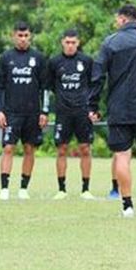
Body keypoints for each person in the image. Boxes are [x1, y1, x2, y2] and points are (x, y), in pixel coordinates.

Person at [89, 4, 136, 218]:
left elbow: (97, 76)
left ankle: (127, 205)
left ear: (122, 19)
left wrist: (93, 105)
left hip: (119, 108)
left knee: (122, 155)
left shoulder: (110, 42)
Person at [0, 21, 48, 201]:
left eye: (26, 36)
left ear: (30, 36)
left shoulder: (38, 58)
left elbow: (45, 88)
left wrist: (44, 111)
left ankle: (23, 188)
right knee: (8, 148)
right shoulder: (5, 58)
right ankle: (4, 188)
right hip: (11, 112)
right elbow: (0, 88)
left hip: (32, 113)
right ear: (13, 36)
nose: (23, 39)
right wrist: (0, 110)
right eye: (20, 36)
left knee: (29, 149)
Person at [45, 29, 95, 200]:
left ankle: (86, 189)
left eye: (73, 42)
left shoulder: (86, 61)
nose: (70, 45)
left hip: (82, 112)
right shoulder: (54, 62)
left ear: (78, 43)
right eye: (67, 42)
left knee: (85, 149)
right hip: (63, 112)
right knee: (61, 149)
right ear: (62, 42)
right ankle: (61, 189)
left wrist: (92, 108)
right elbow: (49, 87)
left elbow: (93, 85)